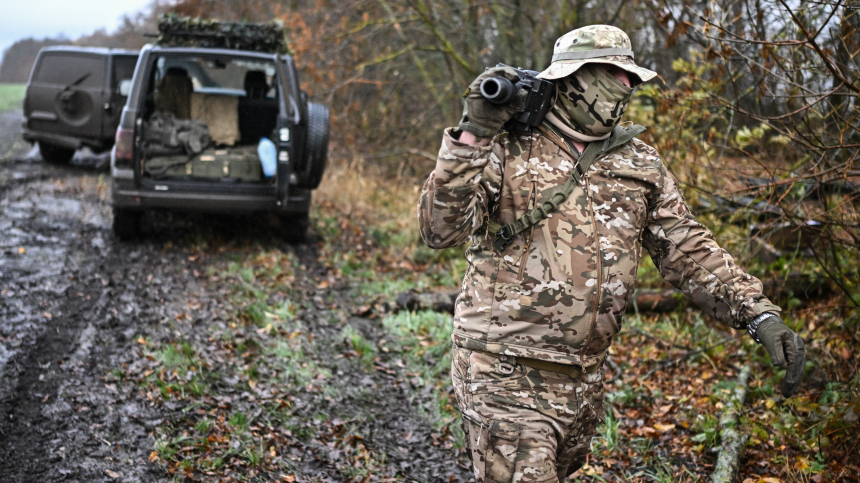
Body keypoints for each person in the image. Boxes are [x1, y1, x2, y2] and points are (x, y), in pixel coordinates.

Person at [417, 24, 806, 483]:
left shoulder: (638, 162)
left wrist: (757, 313)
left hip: (582, 379)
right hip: (505, 371)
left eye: (631, 79)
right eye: (613, 75)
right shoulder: (505, 147)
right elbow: (439, 230)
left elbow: (684, 245)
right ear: (574, 77)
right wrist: (474, 137)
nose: (626, 87)